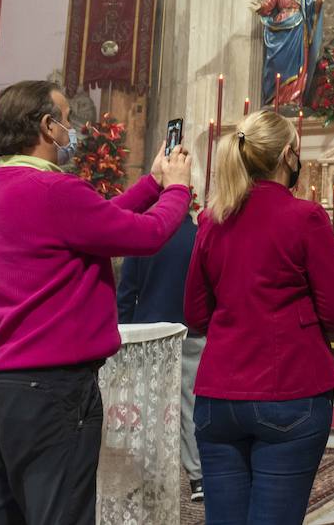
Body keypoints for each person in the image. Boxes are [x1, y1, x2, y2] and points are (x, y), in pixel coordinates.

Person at [0, 80, 192, 524]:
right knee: (61, 515)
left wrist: (152, 184)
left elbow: (98, 222)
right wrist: (178, 190)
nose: (72, 130)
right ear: (46, 126)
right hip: (54, 388)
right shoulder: (55, 191)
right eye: (67, 120)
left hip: (5, 385)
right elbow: (144, 236)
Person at [185, 109, 334, 525]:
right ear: (287, 157)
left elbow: (194, 312)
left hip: (218, 396)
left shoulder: (212, 220)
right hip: (288, 390)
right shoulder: (304, 217)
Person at [116, 209, 205, 502]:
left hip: (148, 334)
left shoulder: (143, 236)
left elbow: (127, 292)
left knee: (147, 407)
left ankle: (148, 478)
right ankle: (198, 477)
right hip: (191, 331)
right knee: (190, 407)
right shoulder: (198, 237)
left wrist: (122, 336)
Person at [251, 0, 329, 109]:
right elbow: (267, 6)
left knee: (299, 64)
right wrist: (260, 7)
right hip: (282, 31)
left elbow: (312, 7)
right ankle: (278, 99)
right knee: (280, 63)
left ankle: (294, 98)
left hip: (299, 31)